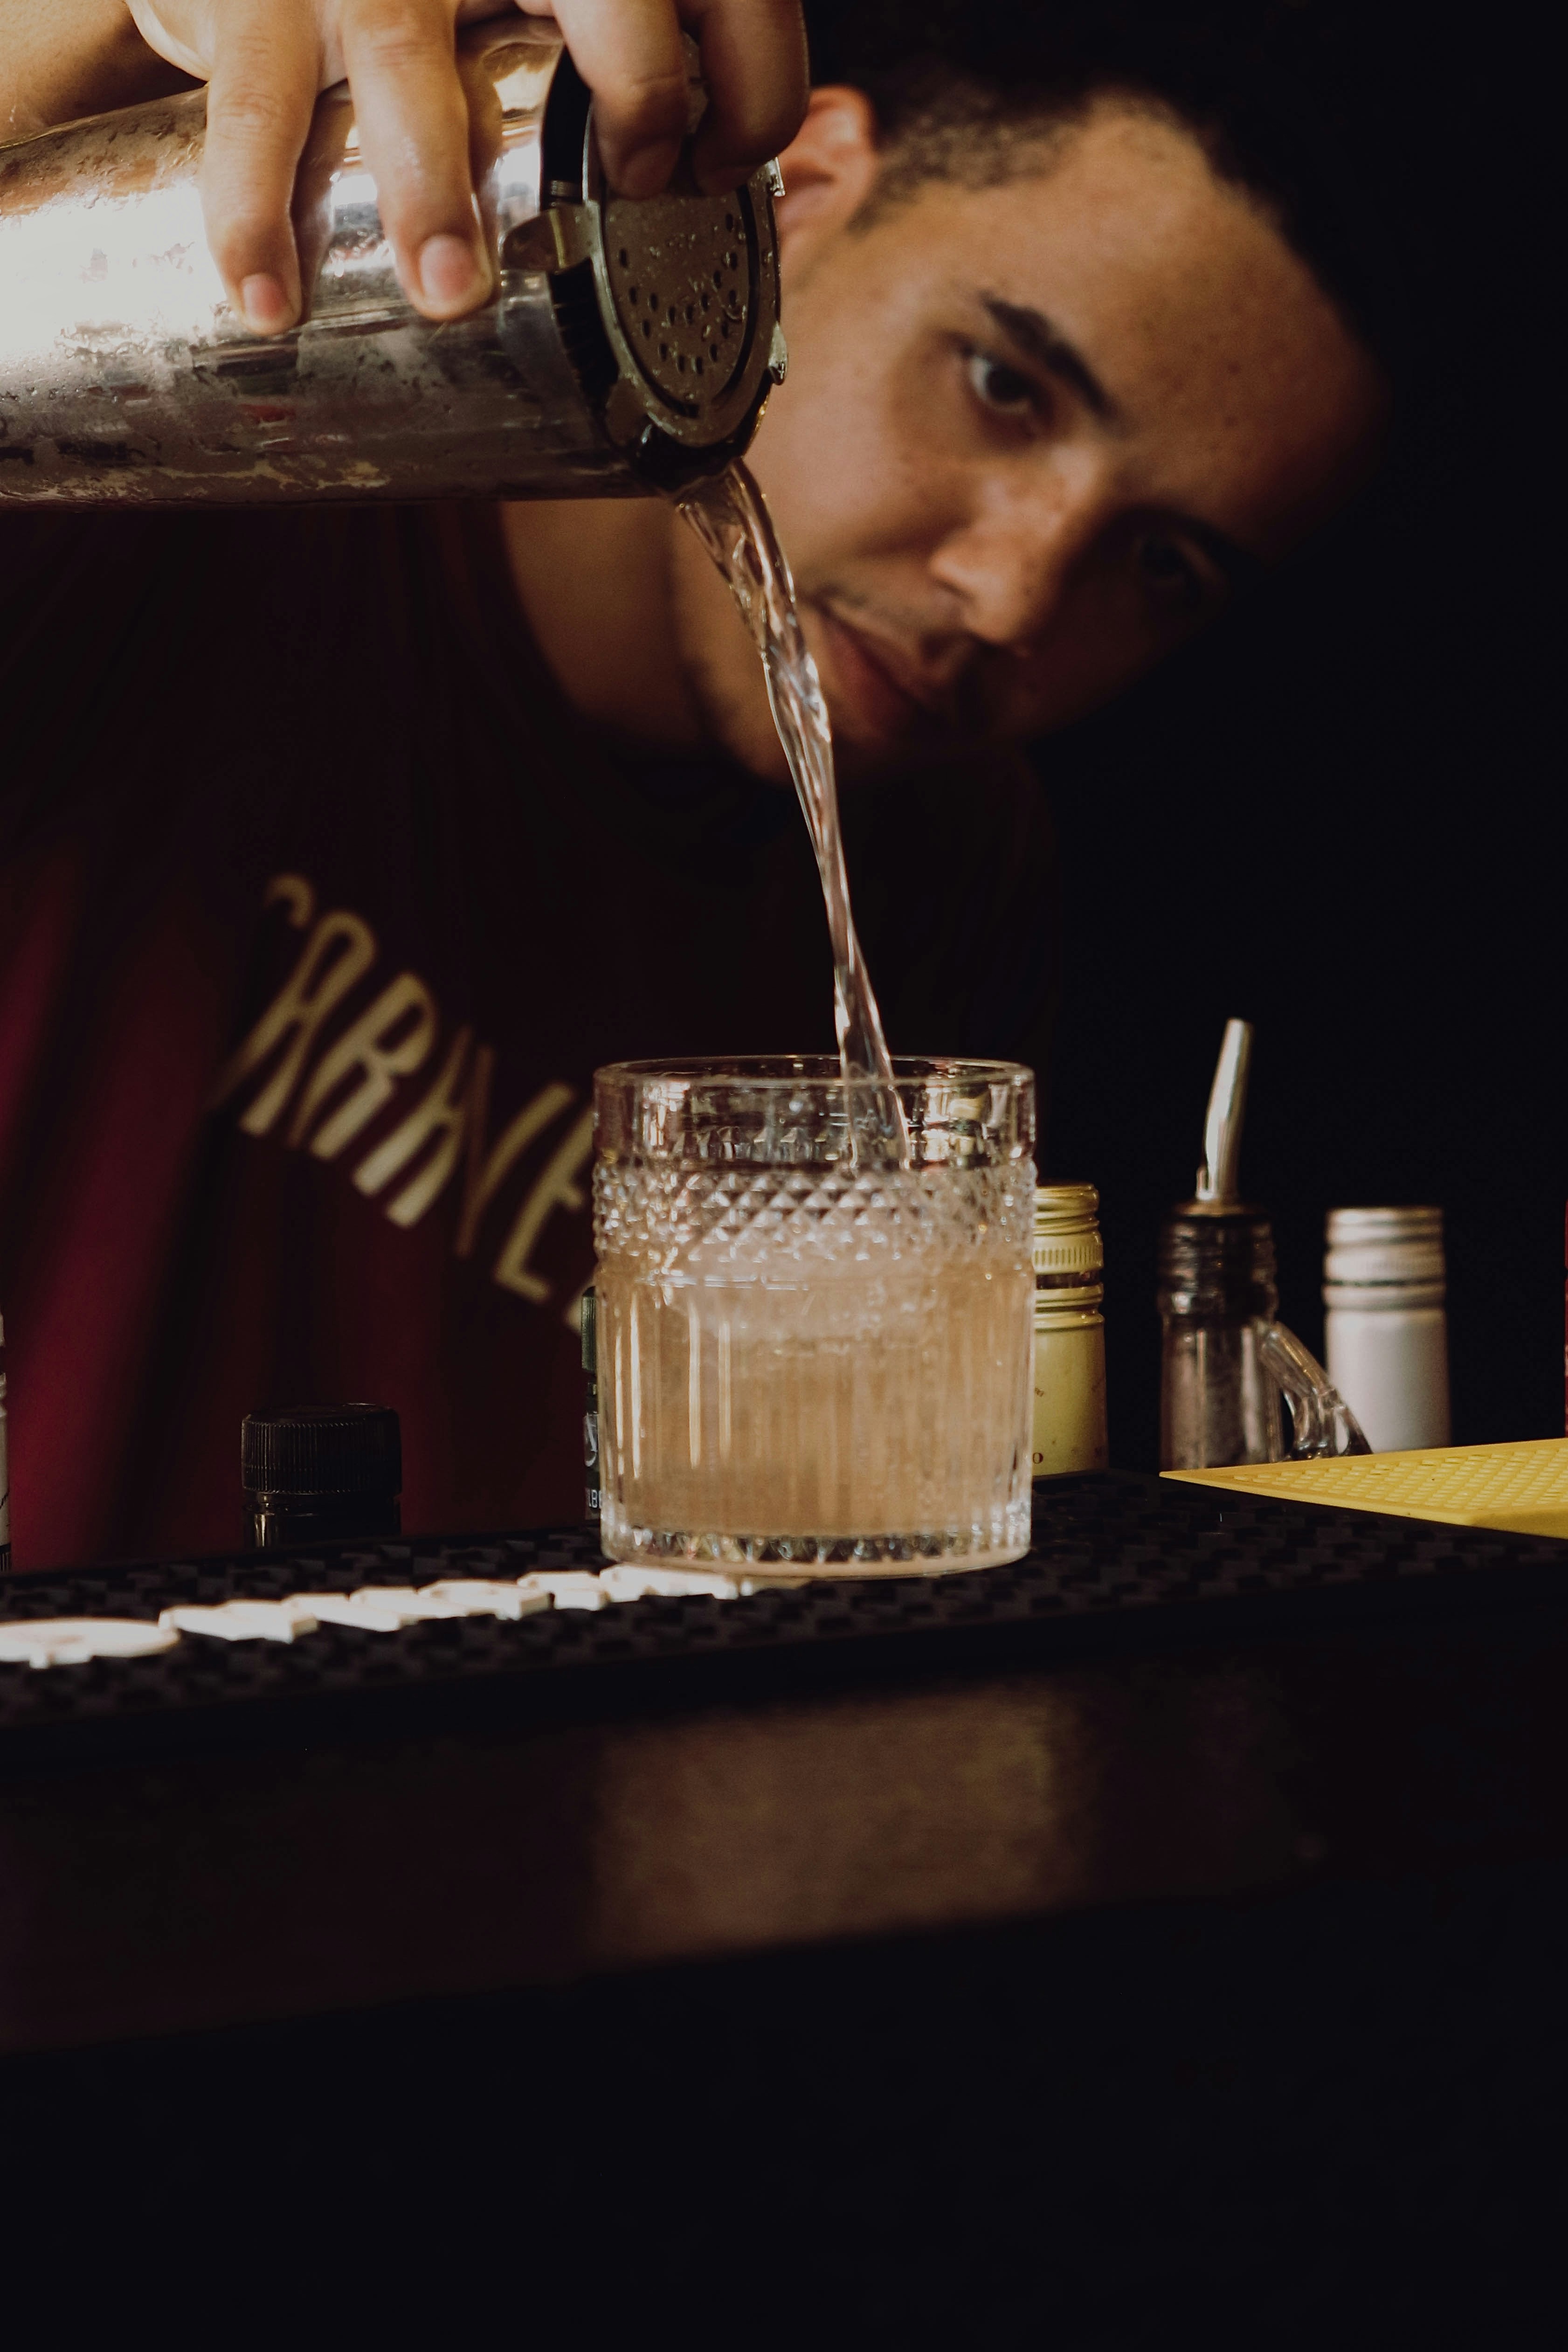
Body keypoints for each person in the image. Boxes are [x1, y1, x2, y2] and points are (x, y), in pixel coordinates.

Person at [0, 1, 1392, 1568]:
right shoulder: (168, 519)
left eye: (1158, 564)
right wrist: (83, 33)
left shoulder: (950, 850)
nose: (1008, 599)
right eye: (1004, 385)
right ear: (795, 190)